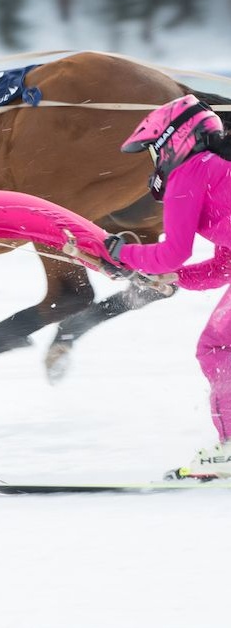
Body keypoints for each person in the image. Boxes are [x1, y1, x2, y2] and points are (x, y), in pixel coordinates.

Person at [105, 93, 231, 479]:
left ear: (172, 141)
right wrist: (177, 278)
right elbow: (225, 265)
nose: (155, 162)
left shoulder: (188, 174)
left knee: (219, 347)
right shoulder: (216, 169)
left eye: (153, 152)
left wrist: (125, 254)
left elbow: (174, 251)